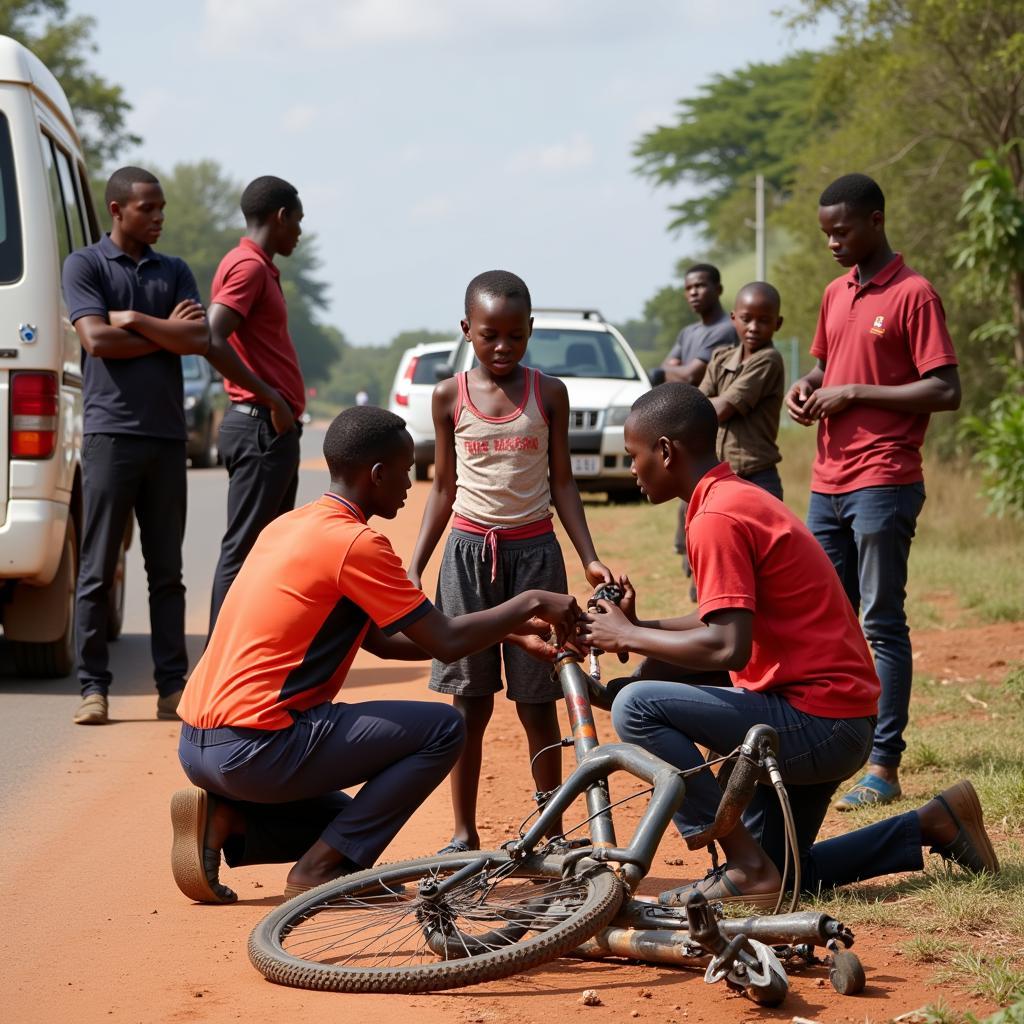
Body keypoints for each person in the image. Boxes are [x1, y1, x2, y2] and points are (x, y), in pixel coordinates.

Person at [580, 383, 998, 908]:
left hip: (818, 721)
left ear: (665, 451)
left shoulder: (715, 518)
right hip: (831, 718)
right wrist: (643, 626)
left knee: (636, 707)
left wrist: (628, 635)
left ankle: (746, 863)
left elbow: (727, 648)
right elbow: (725, 623)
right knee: (785, 878)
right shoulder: (731, 498)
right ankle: (933, 822)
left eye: (635, 455)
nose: (633, 468)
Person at [171, 406, 580, 903]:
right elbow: (444, 640)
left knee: (342, 824)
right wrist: (532, 601)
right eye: (406, 471)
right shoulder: (357, 543)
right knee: (444, 730)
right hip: (255, 749)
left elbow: (384, 641)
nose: (410, 484)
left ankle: (226, 819)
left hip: (198, 747)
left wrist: (510, 633)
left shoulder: (290, 526)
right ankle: (318, 871)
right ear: (377, 474)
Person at [408, 270, 613, 855]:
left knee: (538, 702)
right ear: (467, 329)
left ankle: (550, 832)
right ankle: (463, 832)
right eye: (489, 335)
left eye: (515, 337)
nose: (502, 348)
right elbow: (443, 489)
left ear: (530, 331)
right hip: (469, 559)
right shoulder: (449, 396)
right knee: (468, 705)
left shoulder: (548, 394)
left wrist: (589, 558)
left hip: (536, 557)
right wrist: (416, 564)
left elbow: (564, 482)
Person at [785, 173, 961, 812]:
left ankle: (884, 765)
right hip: (826, 482)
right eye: (826, 232)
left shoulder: (914, 295)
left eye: (842, 230)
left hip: (884, 479)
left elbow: (945, 389)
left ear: (876, 221)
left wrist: (856, 394)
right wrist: (805, 388)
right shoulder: (836, 292)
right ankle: (827, 747)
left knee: (881, 620)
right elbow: (828, 367)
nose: (832, 242)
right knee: (826, 619)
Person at [62, 167, 210, 726]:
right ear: (117, 210)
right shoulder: (86, 265)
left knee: (166, 572)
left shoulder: (174, 269)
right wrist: (159, 331)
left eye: (162, 207)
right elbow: (95, 340)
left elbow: (198, 337)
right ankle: (93, 688)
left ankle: (172, 687)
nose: (159, 217)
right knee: (98, 569)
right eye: (148, 208)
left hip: (167, 439)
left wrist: (134, 320)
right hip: (109, 436)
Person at [206, 176, 307, 633]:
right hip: (259, 426)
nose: (300, 233)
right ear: (280, 216)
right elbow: (211, 336)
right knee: (244, 551)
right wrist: (270, 396)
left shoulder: (258, 266)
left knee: (267, 555)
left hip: (272, 428)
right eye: (298, 222)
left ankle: (248, 666)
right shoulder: (247, 267)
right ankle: (215, 673)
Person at [660, 263, 738, 596]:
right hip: (686, 432)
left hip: (717, 436)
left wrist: (676, 371)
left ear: (718, 289)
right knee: (688, 499)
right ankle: (694, 570)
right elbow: (667, 369)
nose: (694, 292)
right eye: (689, 287)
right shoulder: (688, 334)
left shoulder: (725, 330)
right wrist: (675, 371)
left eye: (701, 286)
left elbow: (690, 375)